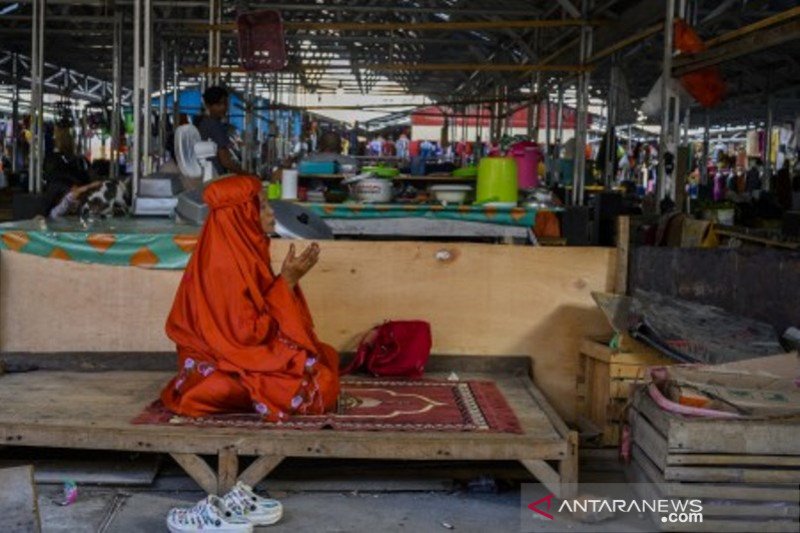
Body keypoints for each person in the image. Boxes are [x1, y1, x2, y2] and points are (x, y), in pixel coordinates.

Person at [160, 175, 340, 421]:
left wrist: (286, 282)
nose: (271, 214)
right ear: (242, 215)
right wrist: (286, 282)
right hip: (221, 357)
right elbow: (246, 336)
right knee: (321, 386)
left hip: (241, 351)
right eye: (262, 206)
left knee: (326, 356)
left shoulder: (245, 248)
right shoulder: (222, 264)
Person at [40, 126, 102, 218]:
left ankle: (43, 213)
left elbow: (49, 176)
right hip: (74, 189)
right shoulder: (80, 160)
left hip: (61, 191)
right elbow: (86, 179)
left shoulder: (52, 159)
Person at [196, 86, 245, 176]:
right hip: (215, 174)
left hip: (206, 173)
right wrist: (246, 174)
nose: (223, 108)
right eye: (218, 104)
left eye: (225, 104)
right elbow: (225, 161)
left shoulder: (204, 123)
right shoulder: (215, 126)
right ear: (208, 105)